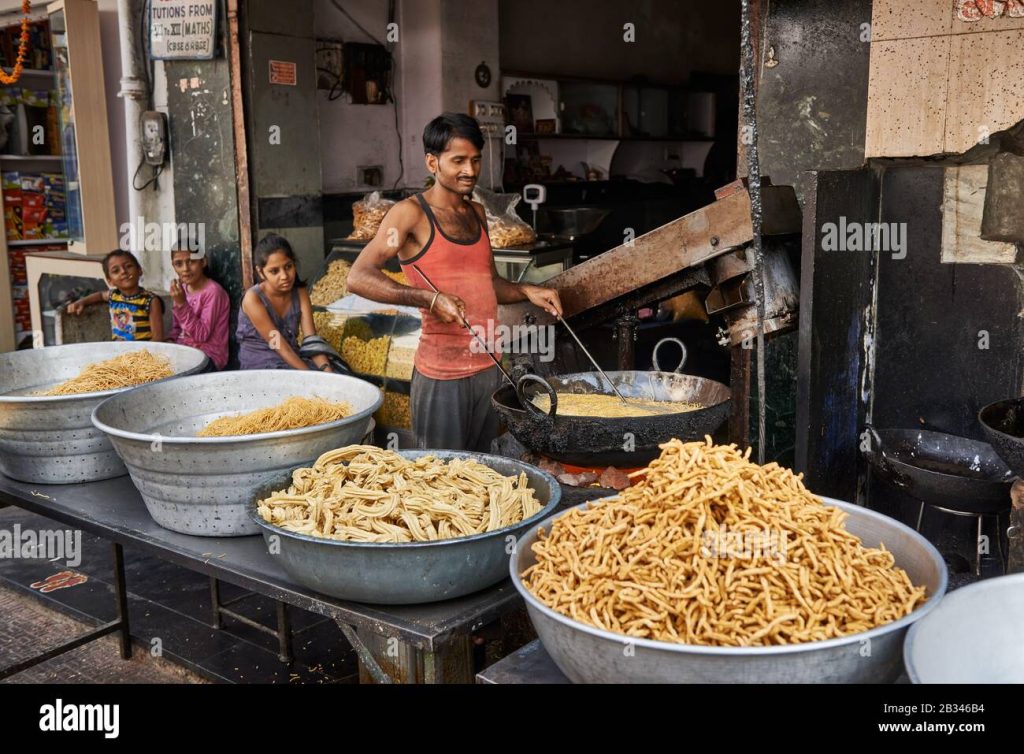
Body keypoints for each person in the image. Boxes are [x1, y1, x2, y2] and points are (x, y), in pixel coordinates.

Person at [347, 112, 563, 452]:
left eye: (475, 160)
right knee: (444, 478)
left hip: (490, 368)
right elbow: (358, 277)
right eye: (458, 160)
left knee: (486, 472)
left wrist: (526, 290)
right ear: (432, 162)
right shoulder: (410, 214)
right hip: (442, 376)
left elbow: (488, 282)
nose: (470, 170)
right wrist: (430, 299)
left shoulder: (476, 213)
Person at [236, 234, 333, 372]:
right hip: (260, 364)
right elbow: (279, 345)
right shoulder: (253, 299)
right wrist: (310, 376)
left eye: (288, 267)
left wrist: (326, 369)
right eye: (274, 271)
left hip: (292, 358)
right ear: (261, 272)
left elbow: (311, 340)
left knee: (339, 377)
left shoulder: (300, 293)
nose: (284, 276)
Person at [66, 250, 164, 341]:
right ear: (110, 281)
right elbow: (100, 295)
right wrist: (81, 302)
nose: (123, 272)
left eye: (128, 266)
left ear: (139, 270)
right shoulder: (113, 296)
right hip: (118, 353)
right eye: (116, 271)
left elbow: (157, 338)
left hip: (142, 354)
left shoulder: (150, 301)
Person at [166, 247, 230, 370]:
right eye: (179, 264)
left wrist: (182, 304)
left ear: (203, 261)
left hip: (208, 356)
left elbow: (201, 335)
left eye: (191, 261)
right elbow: (177, 330)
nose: (185, 269)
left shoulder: (213, 292)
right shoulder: (182, 290)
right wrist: (169, 341)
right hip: (184, 351)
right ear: (173, 266)